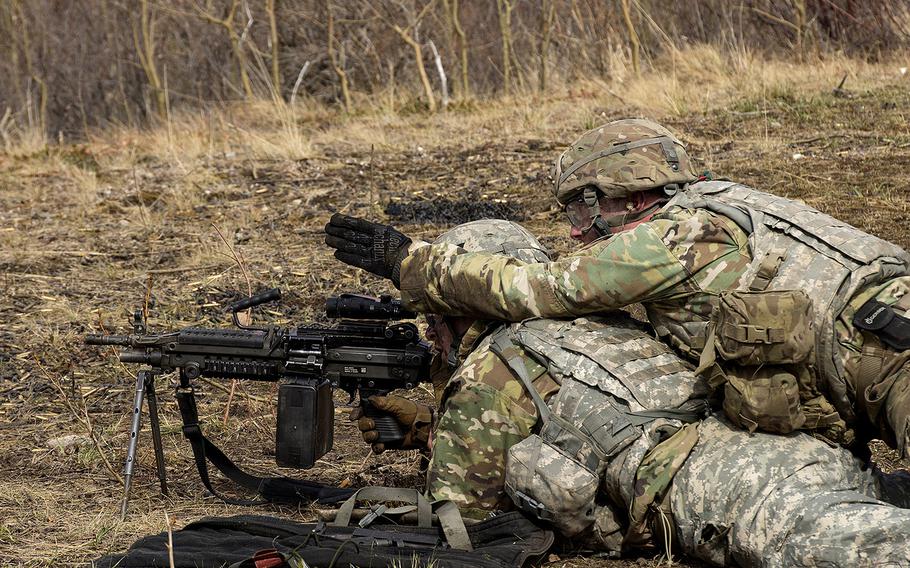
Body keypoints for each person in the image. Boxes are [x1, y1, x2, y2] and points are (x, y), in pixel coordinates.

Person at [324, 118, 910, 466]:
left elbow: (538, 287)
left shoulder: (666, 240)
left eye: (584, 204)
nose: (577, 228)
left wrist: (410, 262)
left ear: (629, 191)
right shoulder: (739, 205)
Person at [342, 219, 910, 568]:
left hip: (731, 490)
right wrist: (429, 425)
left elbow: (462, 519)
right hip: (794, 449)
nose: (428, 335)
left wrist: (444, 417)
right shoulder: (610, 318)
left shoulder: (489, 372)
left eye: (433, 320)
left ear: (458, 308)